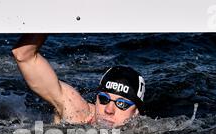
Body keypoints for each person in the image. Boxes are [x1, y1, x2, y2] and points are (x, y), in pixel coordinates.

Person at [12, 34, 146, 128]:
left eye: (121, 104)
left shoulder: (146, 133)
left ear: (136, 113)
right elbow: (23, 55)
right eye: (104, 99)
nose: (109, 110)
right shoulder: (77, 114)